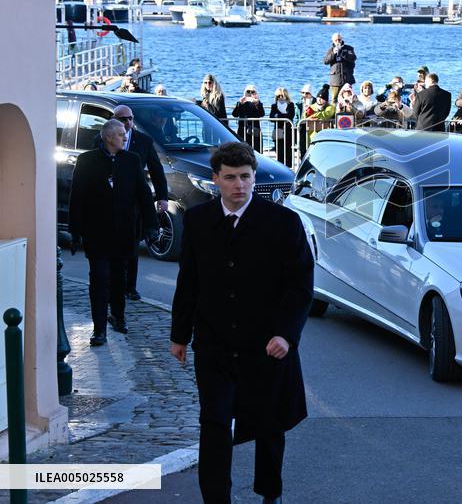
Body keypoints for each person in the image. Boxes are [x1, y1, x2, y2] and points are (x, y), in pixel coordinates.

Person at [170, 142, 313, 504]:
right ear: (216, 179)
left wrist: (286, 334)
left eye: (245, 177)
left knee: (270, 423)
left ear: (253, 178)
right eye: (230, 178)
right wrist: (179, 335)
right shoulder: (199, 220)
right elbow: (189, 280)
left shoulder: (283, 223)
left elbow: (300, 286)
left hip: (266, 343)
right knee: (214, 422)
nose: (239, 185)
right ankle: (216, 498)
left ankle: (270, 493)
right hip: (214, 343)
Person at [69, 119, 157, 346]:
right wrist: (75, 231)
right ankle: (99, 330)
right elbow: (77, 197)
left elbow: (143, 194)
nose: (125, 137)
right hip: (96, 232)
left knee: (120, 278)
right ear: (108, 137)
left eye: (125, 133)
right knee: (98, 280)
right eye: (120, 134)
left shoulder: (131, 160)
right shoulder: (87, 161)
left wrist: (151, 225)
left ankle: (118, 316)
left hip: (124, 231)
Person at [109, 105, 169, 302]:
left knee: (132, 245)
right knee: (112, 246)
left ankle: (130, 287)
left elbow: (156, 170)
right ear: (114, 120)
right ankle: (114, 285)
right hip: (110, 202)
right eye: (123, 119)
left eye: (130, 118)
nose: (127, 122)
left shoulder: (143, 141)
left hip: (133, 202)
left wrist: (162, 197)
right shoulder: (103, 139)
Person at [322, 33, 356, 104]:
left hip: (347, 78)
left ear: (342, 39)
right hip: (335, 80)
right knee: (334, 99)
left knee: (348, 98)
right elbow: (325, 61)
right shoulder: (331, 50)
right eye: (336, 40)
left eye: (339, 39)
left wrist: (342, 53)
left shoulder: (349, 48)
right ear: (333, 41)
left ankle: (348, 113)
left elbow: (353, 58)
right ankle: (335, 114)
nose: (338, 41)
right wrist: (333, 53)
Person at [232, 84, 265, 152]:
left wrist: (257, 104)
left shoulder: (257, 103)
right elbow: (234, 114)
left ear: (255, 93)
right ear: (245, 92)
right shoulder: (241, 102)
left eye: (252, 92)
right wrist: (240, 104)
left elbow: (262, 114)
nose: (250, 93)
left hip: (254, 131)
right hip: (242, 130)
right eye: (248, 91)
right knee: (242, 151)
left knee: (256, 151)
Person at [269, 87, 295, 168]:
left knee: (288, 151)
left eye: (282, 95)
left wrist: (278, 116)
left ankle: (289, 169)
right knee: (279, 151)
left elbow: (290, 116)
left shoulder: (291, 105)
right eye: (278, 96)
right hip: (278, 131)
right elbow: (271, 118)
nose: (280, 97)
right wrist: (282, 116)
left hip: (288, 131)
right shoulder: (274, 106)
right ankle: (280, 168)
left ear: (286, 96)